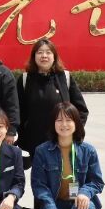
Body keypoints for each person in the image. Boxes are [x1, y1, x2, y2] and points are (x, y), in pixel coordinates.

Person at [32, 102, 103, 209]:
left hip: (78, 204)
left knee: (87, 205)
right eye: (59, 120)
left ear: (76, 123)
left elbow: (97, 181)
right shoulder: (42, 151)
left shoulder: (88, 151)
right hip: (56, 204)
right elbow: (39, 186)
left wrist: (85, 193)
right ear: (53, 124)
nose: (64, 124)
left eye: (68, 120)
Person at [17, 38, 90, 174]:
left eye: (48, 52)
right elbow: (18, 112)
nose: (44, 56)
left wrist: (73, 131)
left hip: (62, 140)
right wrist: (21, 140)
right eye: (40, 52)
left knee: (63, 178)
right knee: (40, 180)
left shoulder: (65, 77)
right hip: (34, 143)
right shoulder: (25, 79)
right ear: (34, 56)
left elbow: (81, 110)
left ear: (54, 56)